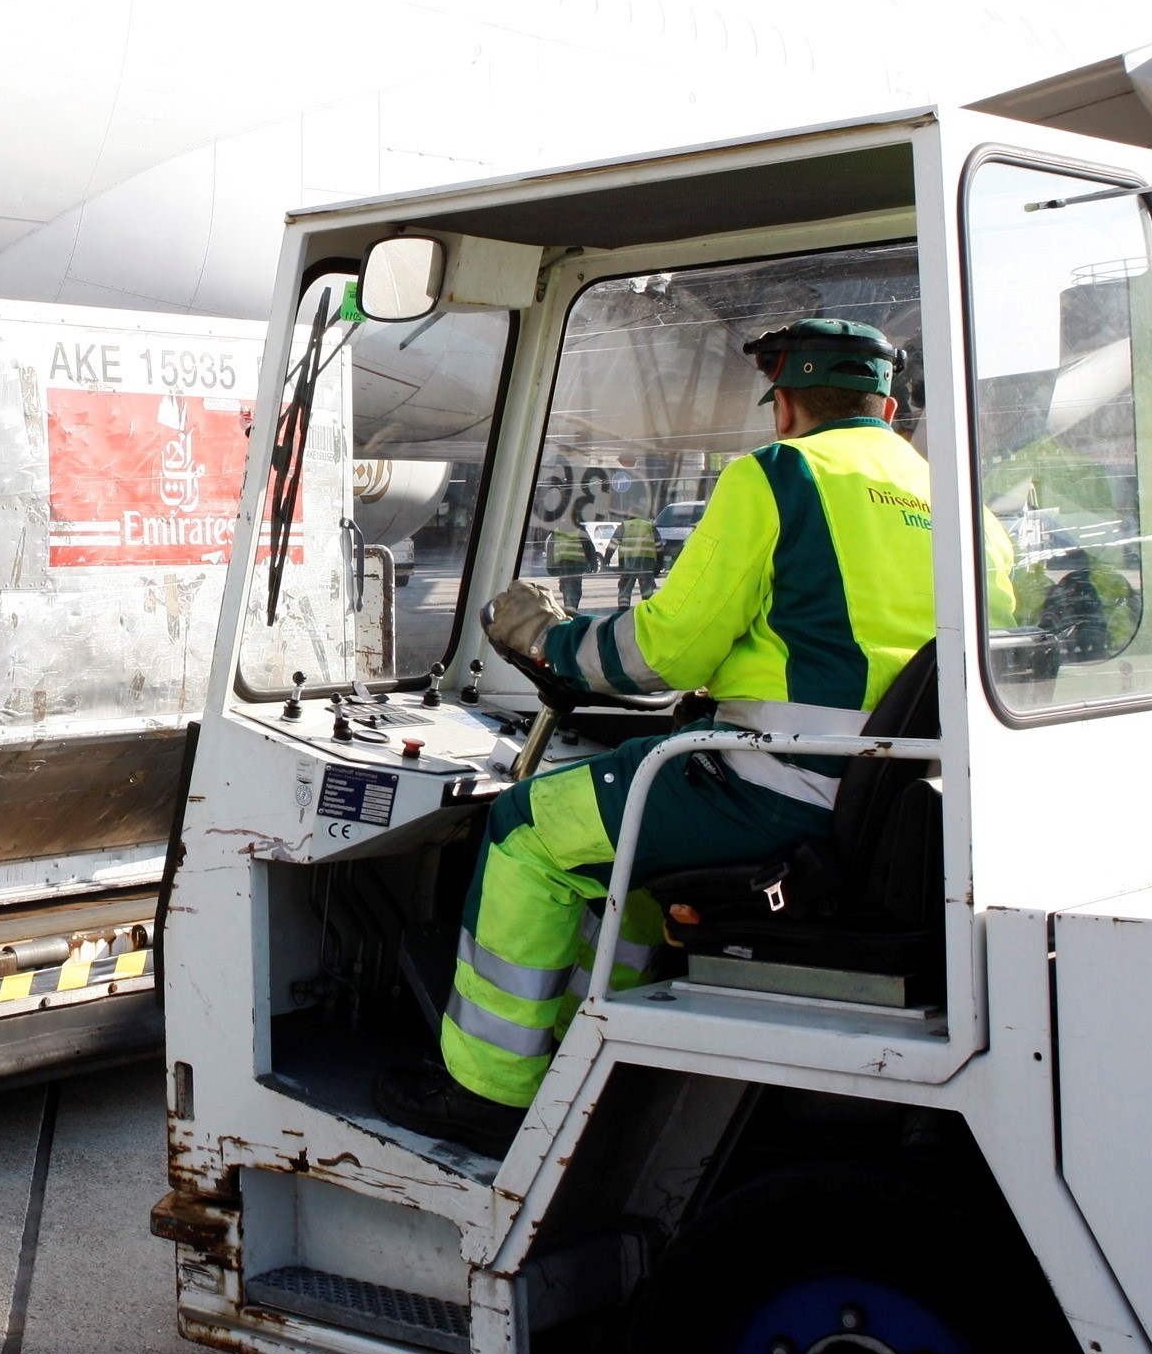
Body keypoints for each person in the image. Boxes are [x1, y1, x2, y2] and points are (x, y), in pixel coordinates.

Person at [373, 320, 939, 1156]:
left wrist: (550, 642)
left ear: (784, 407)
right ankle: (611, 1055)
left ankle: (488, 1090)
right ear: (887, 406)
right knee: (633, 846)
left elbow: (666, 649)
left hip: (774, 788)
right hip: (889, 805)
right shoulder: (950, 499)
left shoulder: (783, 475)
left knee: (526, 829)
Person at [611, 508, 662, 607]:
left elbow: (612, 544)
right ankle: (647, 610)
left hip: (627, 562)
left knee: (625, 587)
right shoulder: (649, 526)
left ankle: (623, 609)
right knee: (647, 588)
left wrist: (606, 559)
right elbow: (659, 547)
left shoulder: (625, 525)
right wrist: (659, 565)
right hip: (646, 562)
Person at [544, 517, 596, 611]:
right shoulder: (579, 530)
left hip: (562, 566)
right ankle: (571, 611)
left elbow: (550, 549)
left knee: (566, 589)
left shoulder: (556, 532)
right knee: (574, 590)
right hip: (576, 565)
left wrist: (550, 567)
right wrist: (593, 564)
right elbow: (589, 547)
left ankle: (569, 609)